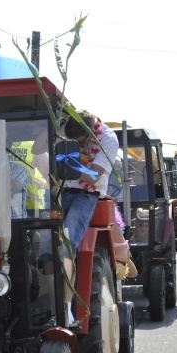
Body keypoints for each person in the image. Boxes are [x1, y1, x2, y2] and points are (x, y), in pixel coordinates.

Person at [57, 109, 117, 323]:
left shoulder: (108, 139)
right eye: (72, 141)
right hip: (61, 192)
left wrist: (64, 164)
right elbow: (38, 149)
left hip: (87, 195)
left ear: (91, 134)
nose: (78, 145)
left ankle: (66, 308)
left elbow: (93, 177)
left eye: (80, 142)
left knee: (66, 243)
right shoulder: (65, 129)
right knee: (44, 246)